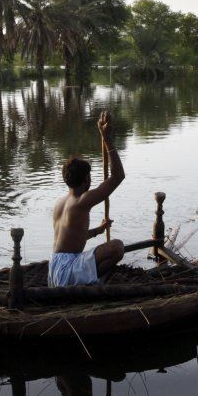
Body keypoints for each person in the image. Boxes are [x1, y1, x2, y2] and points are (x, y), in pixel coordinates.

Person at [48, 110, 125, 287]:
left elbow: (75, 237)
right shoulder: (82, 201)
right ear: (86, 180)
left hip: (54, 269)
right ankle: (94, 282)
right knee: (117, 247)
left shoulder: (60, 203)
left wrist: (99, 229)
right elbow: (118, 176)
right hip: (67, 271)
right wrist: (107, 140)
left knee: (108, 249)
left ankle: (88, 278)